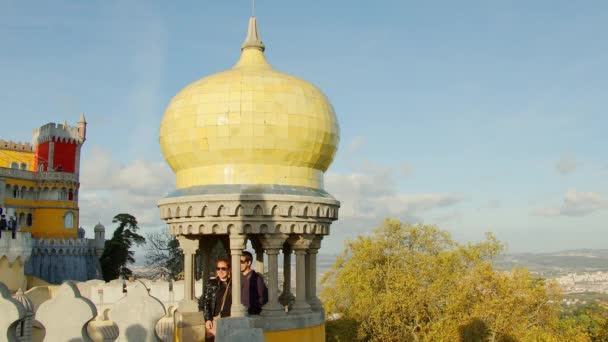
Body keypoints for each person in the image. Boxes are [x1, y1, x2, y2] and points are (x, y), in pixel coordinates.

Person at [200, 259, 232, 341]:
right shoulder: (211, 283)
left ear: (229, 269)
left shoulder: (234, 283)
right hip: (216, 321)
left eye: (223, 268)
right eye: (218, 268)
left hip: (231, 320)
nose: (220, 271)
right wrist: (207, 319)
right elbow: (205, 302)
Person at [240, 251, 268, 315]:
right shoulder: (237, 277)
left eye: (241, 262)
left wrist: (254, 309)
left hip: (252, 314)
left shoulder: (256, 278)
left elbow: (263, 297)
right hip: (239, 314)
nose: (239, 264)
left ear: (249, 263)